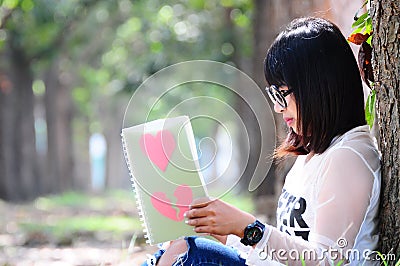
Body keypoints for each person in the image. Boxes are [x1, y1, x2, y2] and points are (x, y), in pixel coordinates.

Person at [142, 17, 381, 266]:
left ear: (317, 86)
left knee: (191, 255)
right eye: (272, 94)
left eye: (282, 93)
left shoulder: (348, 156)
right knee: (180, 246)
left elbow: (327, 261)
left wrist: (249, 229)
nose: (277, 108)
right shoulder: (313, 156)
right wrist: (228, 233)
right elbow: (285, 251)